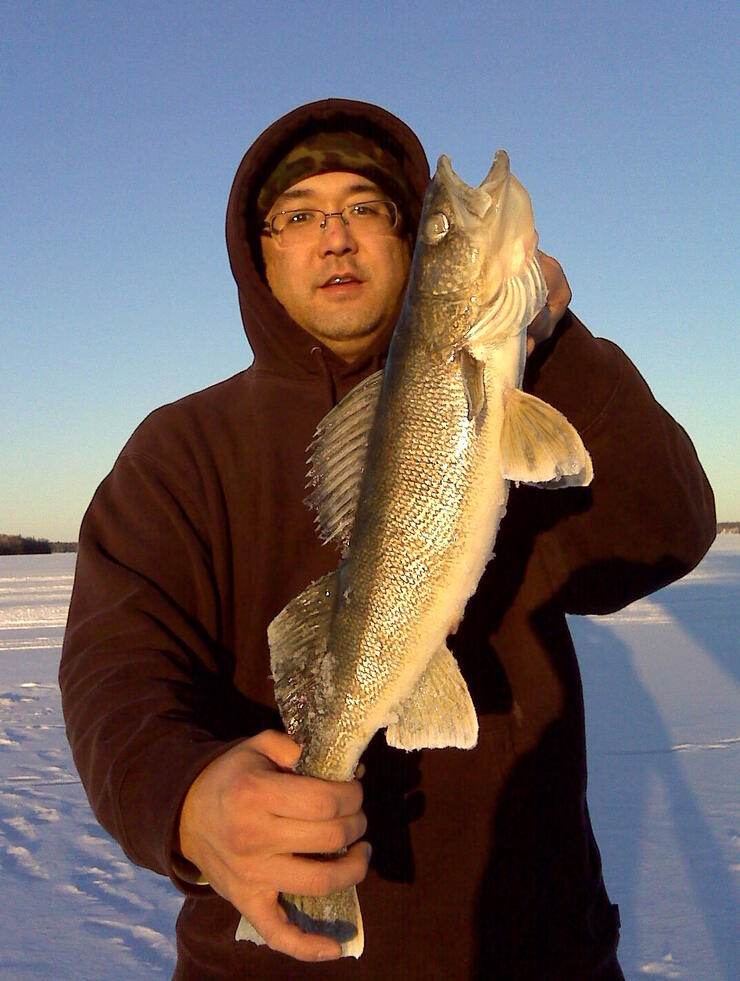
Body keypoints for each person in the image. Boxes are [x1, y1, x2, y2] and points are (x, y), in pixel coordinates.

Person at [60, 99, 715, 980]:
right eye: (299, 216)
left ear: (408, 246)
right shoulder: (179, 451)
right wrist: (185, 800)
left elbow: (666, 533)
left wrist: (552, 342)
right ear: (258, 254)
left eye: (365, 208)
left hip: (535, 951)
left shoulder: (525, 385)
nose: (335, 237)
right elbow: (115, 673)